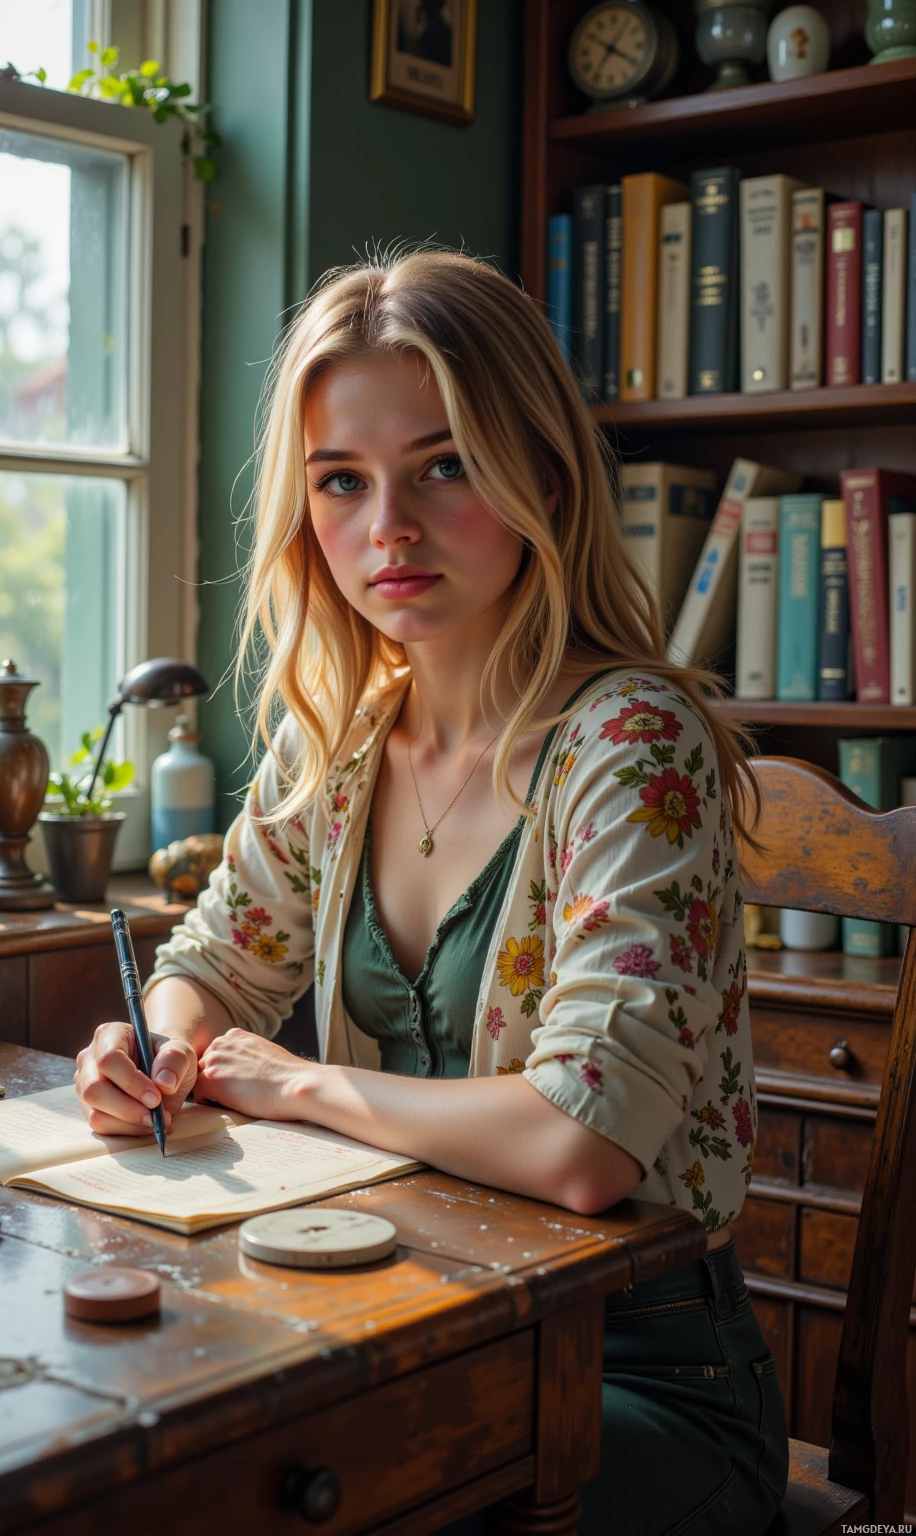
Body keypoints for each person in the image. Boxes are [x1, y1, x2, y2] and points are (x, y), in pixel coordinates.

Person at [74, 249, 788, 1535]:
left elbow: (581, 1147)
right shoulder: (340, 739)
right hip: (398, 1320)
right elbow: (213, 962)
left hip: (631, 1374)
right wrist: (157, 1050)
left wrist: (297, 1086)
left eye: (443, 464)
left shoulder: (630, 744)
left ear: (542, 479)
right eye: (341, 482)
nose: (386, 527)